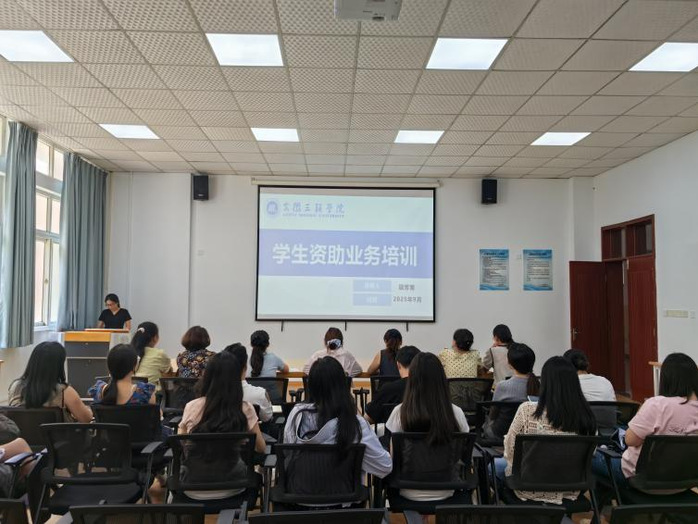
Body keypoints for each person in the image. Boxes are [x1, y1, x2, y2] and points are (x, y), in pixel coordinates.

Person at [496, 356, 597, 505]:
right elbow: (590, 455)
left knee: (492, 467)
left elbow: (510, 450)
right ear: (574, 383)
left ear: (545, 383)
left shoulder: (527, 410)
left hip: (527, 485)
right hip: (570, 486)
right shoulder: (587, 415)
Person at [592, 352, 698, 493]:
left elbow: (630, 440)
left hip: (641, 481)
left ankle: (602, 504)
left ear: (666, 379)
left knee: (589, 456)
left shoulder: (657, 405)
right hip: (683, 483)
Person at [285, 357, 392, 492]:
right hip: (345, 500)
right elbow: (384, 466)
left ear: (310, 386)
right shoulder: (355, 424)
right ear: (343, 385)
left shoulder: (297, 415)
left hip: (299, 496)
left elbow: (288, 452)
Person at [179, 352, 265, 502]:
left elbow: (181, 441)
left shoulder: (192, 406)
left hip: (192, 486)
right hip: (234, 486)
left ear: (207, 377)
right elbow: (261, 448)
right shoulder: (245, 409)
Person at [386, 352, 469, 501]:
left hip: (406, 490)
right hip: (447, 489)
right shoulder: (456, 413)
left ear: (412, 380)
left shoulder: (399, 413)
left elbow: (394, 459)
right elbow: (460, 453)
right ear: (442, 380)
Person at [9, 342, 93, 422]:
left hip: (22, 433)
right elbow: (86, 419)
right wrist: (88, 409)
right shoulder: (65, 391)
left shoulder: (15, 387)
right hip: (58, 433)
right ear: (58, 365)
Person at [483, 343, 540, 440]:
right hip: (529, 434)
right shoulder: (539, 385)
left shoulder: (502, 386)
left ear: (510, 364)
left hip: (501, 434)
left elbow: (493, 415)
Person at [365, 345, 420, 425]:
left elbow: (368, 419)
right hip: (428, 433)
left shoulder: (388, 389)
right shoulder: (430, 388)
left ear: (398, 365)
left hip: (391, 432)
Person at [89, 344, 156, 405]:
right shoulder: (145, 392)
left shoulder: (99, 391)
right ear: (134, 367)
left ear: (109, 367)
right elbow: (155, 413)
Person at [224, 343, 273, 423]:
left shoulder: (212, 395)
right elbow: (267, 418)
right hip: (253, 430)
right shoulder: (260, 394)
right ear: (245, 367)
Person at [131, 321, 172, 391]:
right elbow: (168, 377)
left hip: (131, 394)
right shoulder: (159, 354)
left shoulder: (129, 352)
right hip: (153, 394)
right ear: (155, 337)